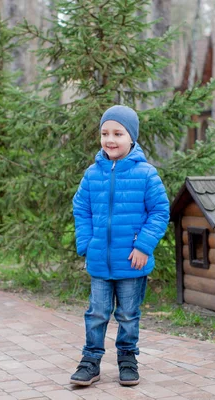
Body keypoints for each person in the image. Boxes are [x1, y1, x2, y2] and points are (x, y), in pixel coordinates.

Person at [70, 105, 170, 387]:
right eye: (104, 133)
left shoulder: (146, 174)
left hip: (132, 261)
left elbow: (160, 212)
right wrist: (87, 244)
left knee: (127, 314)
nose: (110, 139)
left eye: (117, 133)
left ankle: (127, 358)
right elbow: (81, 208)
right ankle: (90, 361)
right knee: (97, 313)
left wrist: (144, 246)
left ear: (132, 138)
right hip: (100, 260)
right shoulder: (92, 174)